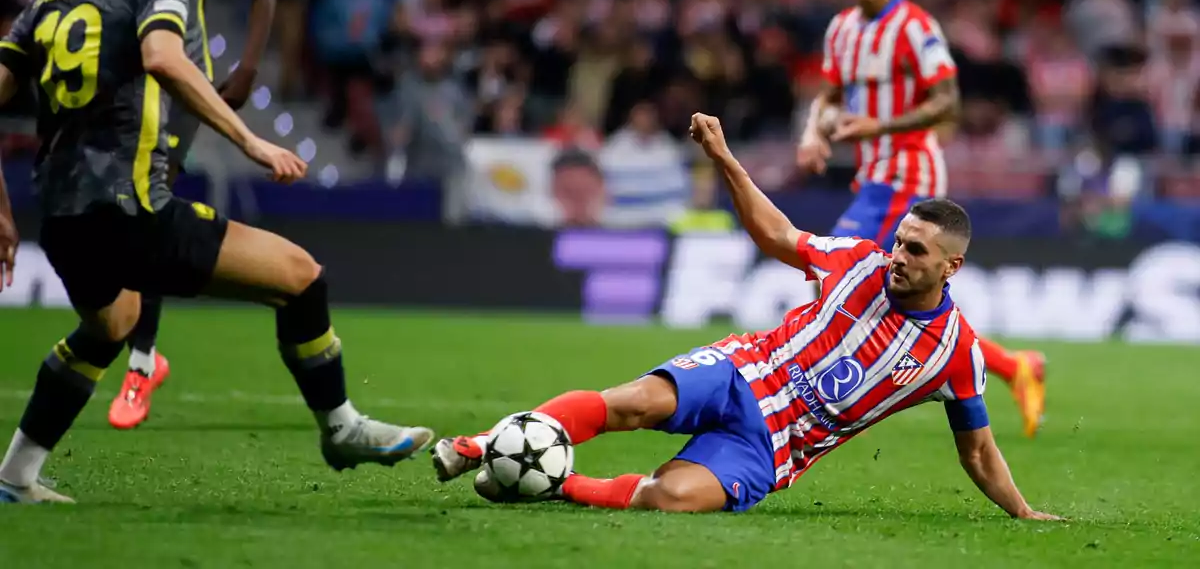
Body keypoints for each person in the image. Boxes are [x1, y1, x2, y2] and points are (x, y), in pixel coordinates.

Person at [0, 0, 432, 504]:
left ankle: (14, 475)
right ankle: (341, 428)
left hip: (61, 217)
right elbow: (165, 59)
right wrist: (250, 141)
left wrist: (4, 214)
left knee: (112, 322)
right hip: (133, 206)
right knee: (302, 276)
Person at [429, 112, 1060, 519]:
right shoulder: (856, 261)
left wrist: (1025, 514)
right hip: (745, 370)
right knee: (631, 403)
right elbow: (778, 234)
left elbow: (977, 453)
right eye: (898, 240)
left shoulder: (957, 355)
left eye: (915, 251)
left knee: (674, 499)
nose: (897, 256)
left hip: (775, 444)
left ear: (951, 268)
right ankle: (482, 444)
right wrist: (726, 159)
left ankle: (543, 478)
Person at [57, 0, 279, 430]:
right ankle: (123, 337)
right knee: (122, 213)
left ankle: (141, 361)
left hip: (179, 88)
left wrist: (250, 66)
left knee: (145, 206)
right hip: (114, 92)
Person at [797, 0, 1047, 438]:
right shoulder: (841, 29)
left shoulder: (915, 27)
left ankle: (805, 389)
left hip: (908, 172)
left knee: (832, 270)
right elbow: (829, 94)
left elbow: (947, 101)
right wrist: (812, 134)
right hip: (872, 174)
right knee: (850, 279)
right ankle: (1011, 366)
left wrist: (881, 123)